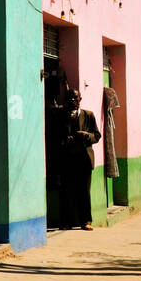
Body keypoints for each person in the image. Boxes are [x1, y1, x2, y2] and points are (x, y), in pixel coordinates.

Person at [58, 89, 101, 230]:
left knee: (84, 191)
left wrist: (86, 135)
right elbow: (53, 136)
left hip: (84, 159)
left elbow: (97, 135)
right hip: (67, 159)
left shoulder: (88, 115)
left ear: (80, 99)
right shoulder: (62, 116)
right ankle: (66, 222)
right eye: (69, 98)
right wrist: (64, 140)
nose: (72, 101)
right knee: (67, 191)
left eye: (75, 98)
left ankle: (86, 221)